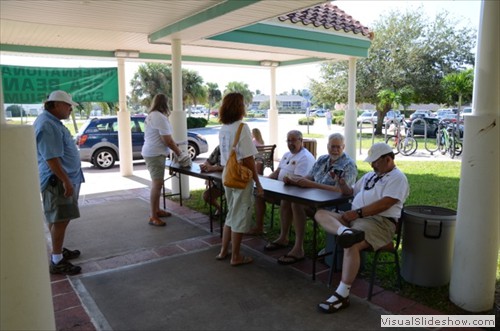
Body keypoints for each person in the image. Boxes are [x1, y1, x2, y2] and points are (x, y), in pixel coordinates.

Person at [314, 142, 409, 314]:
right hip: (356, 220)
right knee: (320, 214)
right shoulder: (370, 176)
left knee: (352, 243)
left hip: (379, 223)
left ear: (388, 159)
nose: (372, 165)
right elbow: (350, 192)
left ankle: (342, 294)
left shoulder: (398, 178)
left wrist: (357, 213)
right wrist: (341, 183)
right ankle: (345, 232)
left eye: (375, 161)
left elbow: (386, 203)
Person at [276, 133, 357, 265]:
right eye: (332, 147)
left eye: (338, 147)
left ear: (344, 147)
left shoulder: (348, 165)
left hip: (334, 206)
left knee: (297, 204)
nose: (335, 150)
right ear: (327, 146)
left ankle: (298, 248)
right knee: (288, 199)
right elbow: (310, 177)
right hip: (314, 200)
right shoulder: (322, 159)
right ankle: (283, 237)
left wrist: (311, 185)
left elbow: (342, 191)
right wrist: (295, 180)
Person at [34, 90, 85, 275]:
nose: (70, 108)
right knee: (61, 219)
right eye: (68, 105)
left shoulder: (52, 122)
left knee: (57, 218)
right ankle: (57, 260)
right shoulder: (48, 124)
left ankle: (58, 250)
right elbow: (51, 158)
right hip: (57, 181)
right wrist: (66, 181)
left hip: (60, 179)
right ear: (55, 105)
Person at [216, 92, 264, 266]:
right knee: (239, 215)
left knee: (231, 213)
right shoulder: (242, 128)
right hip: (241, 177)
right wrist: (258, 183)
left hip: (227, 175)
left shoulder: (223, 128)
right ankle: (236, 256)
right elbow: (249, 159)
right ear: (239, 107)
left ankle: (223, 251)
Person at [251, 130, 315, 236]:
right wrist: (264, 182)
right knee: (259, 193)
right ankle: (259, 227)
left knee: (286, 200)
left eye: (293, 140)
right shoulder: (287, 154)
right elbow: (277, 172)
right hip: (280, 189)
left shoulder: (305, 157)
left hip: (294, 193)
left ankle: (283, 236)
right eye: (288, 141)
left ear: (301, 140)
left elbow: (298, 181)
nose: (290, 143)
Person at [141, 93, 190, 227]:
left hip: (152, 152)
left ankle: (156, 211)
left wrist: (177, 145)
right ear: (165, 104)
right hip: (155, 154)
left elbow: (165, 138)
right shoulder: (159, 117)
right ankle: (153, 216)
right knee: (157, 185)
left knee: (158, 184)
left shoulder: (152, 115)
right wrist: (179, 153)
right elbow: (167, 140)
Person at [199, 145, 224, 217]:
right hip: (219, 182)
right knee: (207, 196)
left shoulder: (237, 147)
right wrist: (205, 166)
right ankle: (220, 209)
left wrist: (214, 168)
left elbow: (232, 167)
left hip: (233, 183)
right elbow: (208, 161)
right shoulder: (220, 147)